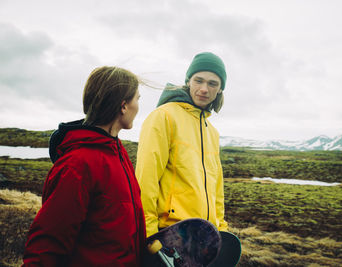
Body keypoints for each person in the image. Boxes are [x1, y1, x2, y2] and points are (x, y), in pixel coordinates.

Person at [23, 66, 147, 266]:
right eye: (137, 99)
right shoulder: (77, 165)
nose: (138, 106)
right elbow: (46, 246)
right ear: (123, 106)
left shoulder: (118, 152)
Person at [136, 52, 229, 238]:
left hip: (203, 239)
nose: (204, 89)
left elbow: (216, 190)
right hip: (170, 234)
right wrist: (148, 233)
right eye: (198, 81)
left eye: (212, 84)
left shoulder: (211, 132)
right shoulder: (164, 116)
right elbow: (146, 178)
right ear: (188, 81)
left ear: (220, 89)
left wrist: (221, 231)